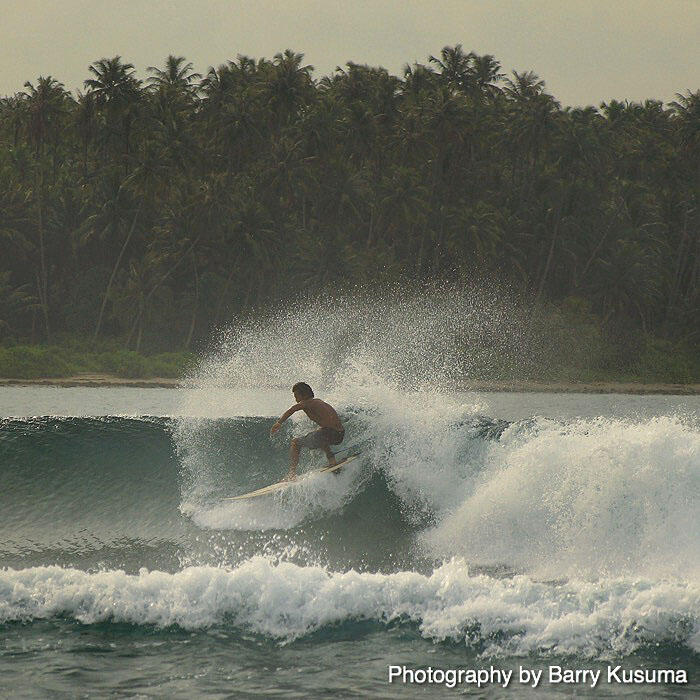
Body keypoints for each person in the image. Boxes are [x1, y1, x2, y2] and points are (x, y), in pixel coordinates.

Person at [270, 382, 345, 480]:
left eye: (296, 395)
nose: (295, 398)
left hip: (329, 434)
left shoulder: (306, 403)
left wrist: (279, 423)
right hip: (339, 434)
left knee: (295, 442)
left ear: (304, 395)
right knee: (320, 432)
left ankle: (291, 474)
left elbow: (291, 410)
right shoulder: (318, 401)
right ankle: (332, 460)